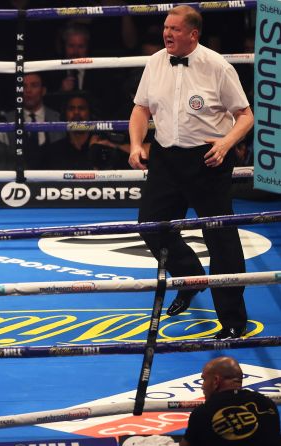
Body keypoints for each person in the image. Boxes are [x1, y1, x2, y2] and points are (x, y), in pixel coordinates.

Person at [128, 5, 254, 340]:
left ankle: (232, 319)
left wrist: (226, 144)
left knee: (221, 238)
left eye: (175, 29)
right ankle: (191, 277)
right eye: (165, 28)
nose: (167, 33)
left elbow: (245, 115)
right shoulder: (156, 61)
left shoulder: (216, 66)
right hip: (167, 158)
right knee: (151, 225)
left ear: (193, 34)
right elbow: (141, 108)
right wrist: (136, 144)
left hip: (208, 159)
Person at [181, 356, 280, 446]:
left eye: (204, 379)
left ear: (216, 381)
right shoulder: (267, 404)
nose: (202, 386)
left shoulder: (203, 412)